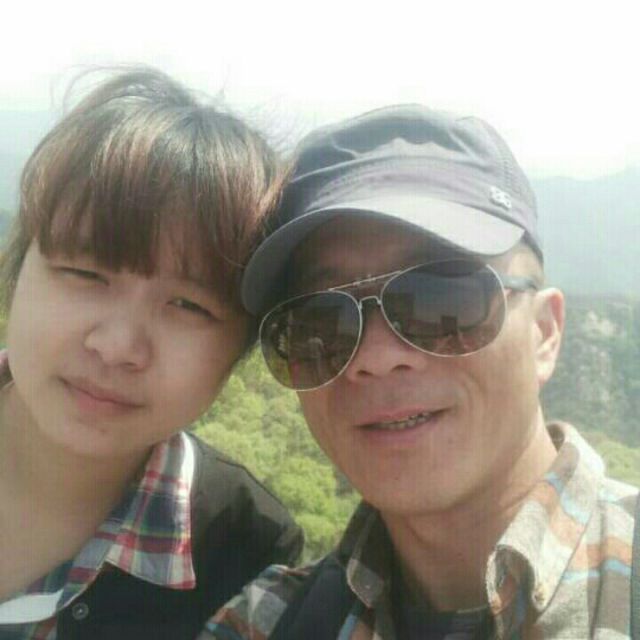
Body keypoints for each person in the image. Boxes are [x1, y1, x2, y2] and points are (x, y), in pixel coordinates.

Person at [201, 105, 638, 638]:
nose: (376, 356)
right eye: (319, 323)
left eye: (441, 299)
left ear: (544, 333)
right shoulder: (263, 623)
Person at [0, 68, 302, 640]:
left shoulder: (244, 548)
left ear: (237, 351)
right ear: (18, 271)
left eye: (189, 306)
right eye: (85, 273)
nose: (117, 347)